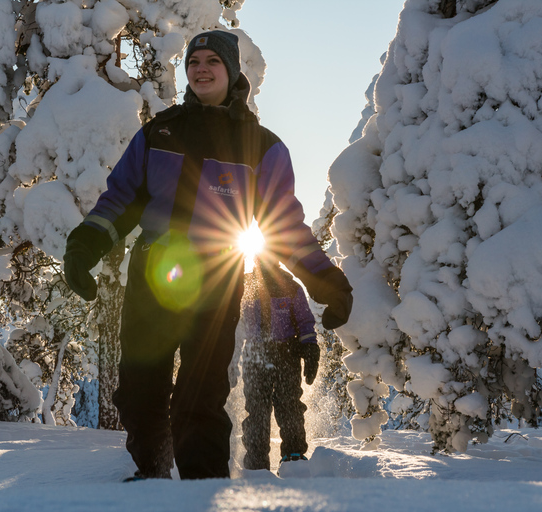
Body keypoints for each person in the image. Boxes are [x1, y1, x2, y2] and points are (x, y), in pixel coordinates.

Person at [63, 29, 352, 481]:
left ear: (232, 72)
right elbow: (119, 200)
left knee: (200, 393)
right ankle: (152, 476)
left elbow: (284, 226)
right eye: (193, 61)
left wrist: (326, 282)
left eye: (212, 62)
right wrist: (84, 246)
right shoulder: (160, 131)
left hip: (216, 278)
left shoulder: (262, 145)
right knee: (139, 388)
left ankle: (203, 487)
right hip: (153, 272)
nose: (200, 68)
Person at [240, 258, 319, 472]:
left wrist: (310, 347)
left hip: (286, 354)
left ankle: (293, 456)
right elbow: (232, 320)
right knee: (257, 408)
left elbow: (305, 322)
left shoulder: (290, 286)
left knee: (289, 404)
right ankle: (256, 463)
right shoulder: (246, 285)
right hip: (255, 354)